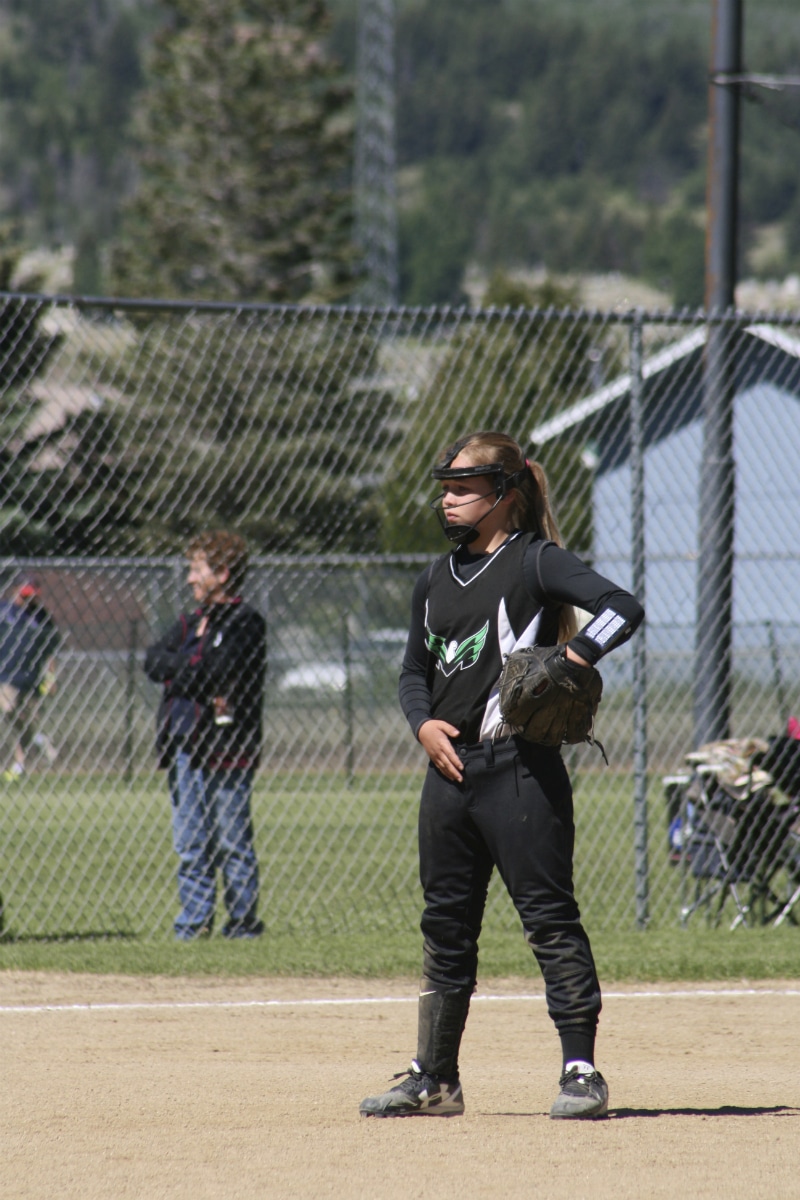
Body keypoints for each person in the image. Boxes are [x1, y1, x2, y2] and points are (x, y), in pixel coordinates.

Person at [359, 430, 644, 1121]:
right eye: (446, 488)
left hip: (520, 769)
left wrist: (573, 657)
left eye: (463, 488)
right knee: (445, 925)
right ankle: (436, 1079)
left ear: (505, 494)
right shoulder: (435, 577)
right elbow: (412, 671)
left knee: (548, 918)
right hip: (448, 775)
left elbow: (623, 608)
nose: (448, 500)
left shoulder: (533, 561)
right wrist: (422, 725)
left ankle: (581, 1071)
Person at [144, 531, 267, 941]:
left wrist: (182, 671)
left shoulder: (245, 623)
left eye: (197, 569)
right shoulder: (190, 622)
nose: (189, 578)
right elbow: (152, 660)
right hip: (184, 744)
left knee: (231, 839)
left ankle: (243, 924)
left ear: (222, 573)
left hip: (225, 747)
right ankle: (194, 922)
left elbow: (219, 671)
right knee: (190, 841)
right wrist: (191, 669)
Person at [0, 573, 60, 781]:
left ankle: (20, 764)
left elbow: (50, 650)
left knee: (27, 721)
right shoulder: (4, 611)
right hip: (5, 675)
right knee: (8, 710)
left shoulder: (42, 617)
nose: (28, 599)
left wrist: (51, 677)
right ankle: (37, 738)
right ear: (15, 590)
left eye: (32, 595)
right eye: (25, 594)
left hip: (32, 678)